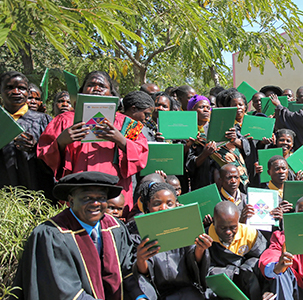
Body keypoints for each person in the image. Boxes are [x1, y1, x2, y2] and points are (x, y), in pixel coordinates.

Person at [11, 172, 146, 300]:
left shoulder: (115, 228)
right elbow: (63, 290)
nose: (95, 204)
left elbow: (127, 272)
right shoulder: (52, 234)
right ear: (71, 200)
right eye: (87, 198)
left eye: (101, 198)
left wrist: (139, 296)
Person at [37, 71, 149, 213]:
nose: (96, 89)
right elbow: (44, 154)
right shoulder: (64, 120)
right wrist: (61, 142)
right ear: (81, 91)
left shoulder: (127, 124)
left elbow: (142, 154)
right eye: (90, 85)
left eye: (102, 86)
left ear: (112, 94)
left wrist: (121, 140)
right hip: (77, 190)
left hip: (114, 194)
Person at [131, 182, 211, 299]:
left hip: (188, 292)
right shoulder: (139, 235)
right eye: (157, 204)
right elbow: (144, 273)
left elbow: (194, 262)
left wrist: (201, 248)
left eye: (169, 204)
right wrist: (141, 259)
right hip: (158, 293)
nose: (163, 208)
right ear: (148, 205)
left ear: (176, 205)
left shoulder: (186, 228)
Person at [0, 71, 55, 200]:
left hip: (37, 192)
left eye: (22, 88)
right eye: (9, 87)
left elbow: (56, 154)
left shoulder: (43, 120)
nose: (16, 92)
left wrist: (36, 148)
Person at [206, 200, 269, 300]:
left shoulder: (250, 233)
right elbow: (206, 270)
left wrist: (267, 289)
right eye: (222, 228)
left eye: (233, 227)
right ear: (214, 223)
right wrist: (233, 272)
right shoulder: (206, 238)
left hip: (249, 281)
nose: (228, 232)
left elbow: (264, 261)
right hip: (223, 285)